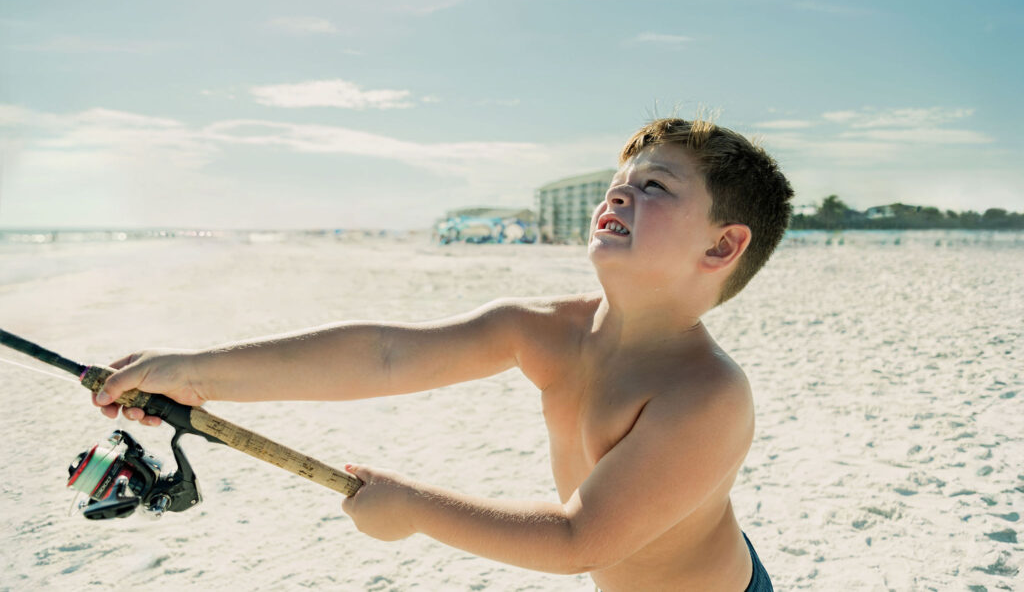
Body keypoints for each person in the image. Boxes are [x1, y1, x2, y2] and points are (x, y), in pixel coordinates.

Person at [94, 117, 791, 591]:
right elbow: (387, 354)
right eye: (622, 180)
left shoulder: (705, 394)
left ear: (722, 246)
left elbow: (581, 540)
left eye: (655, 187)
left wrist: (415, 507)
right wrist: (194, 375)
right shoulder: (545, 329)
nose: (620, 191)